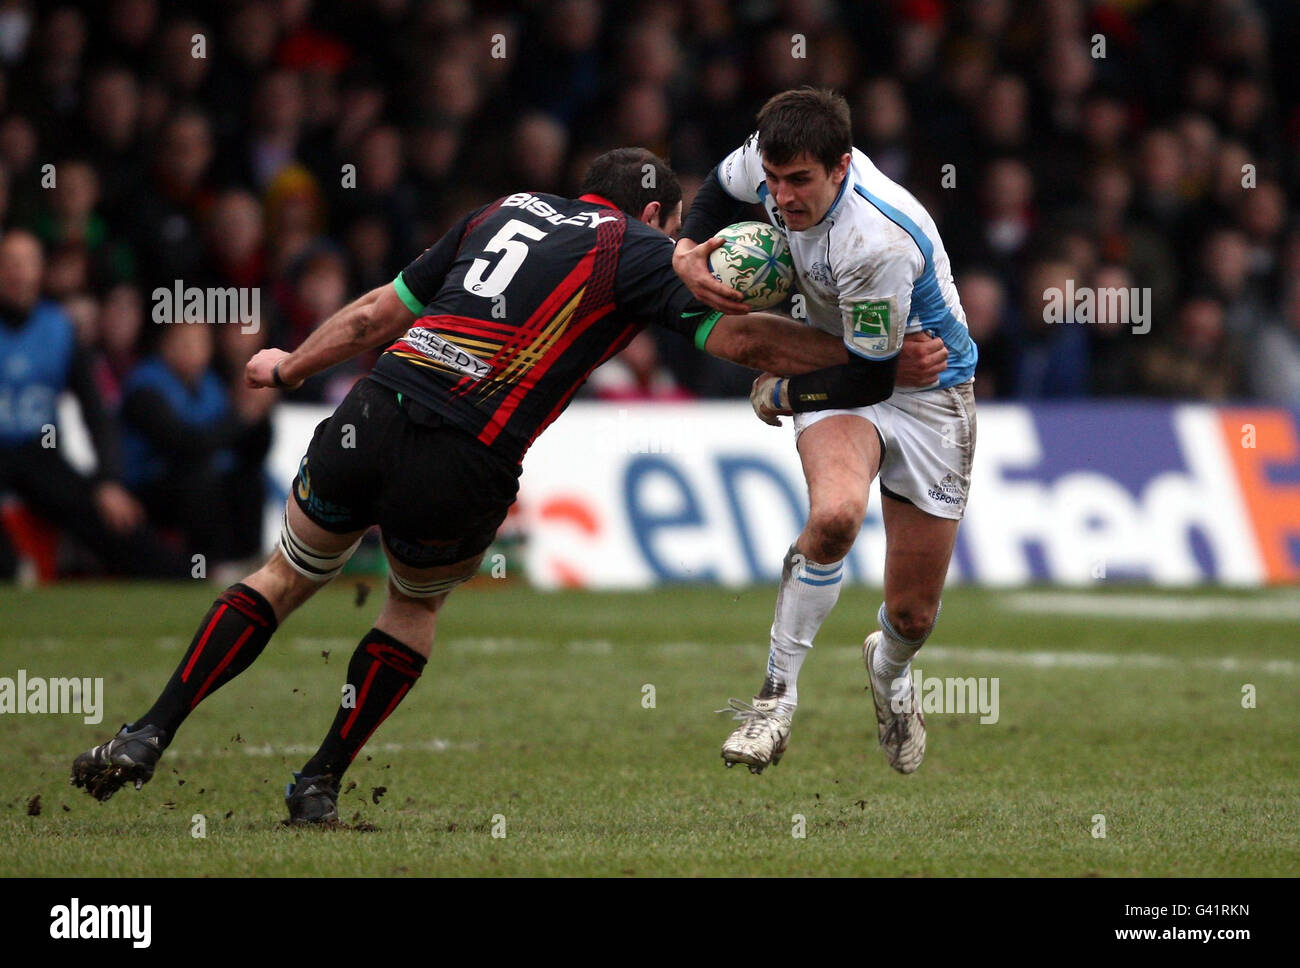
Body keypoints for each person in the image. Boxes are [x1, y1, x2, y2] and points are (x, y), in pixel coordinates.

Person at [70, 147, 949, 822]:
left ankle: (149, 729)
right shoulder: (644, 251)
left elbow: (381, 310)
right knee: (409, 611)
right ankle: (318, 783)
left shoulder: (498, 212)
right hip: (468, 455)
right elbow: (747, 345)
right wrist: (868, 355)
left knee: (285, 574)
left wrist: (291, 363)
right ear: (653, 211)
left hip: (374, 408)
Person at [673, 88, 978, 775]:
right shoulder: (769, 159)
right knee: (836, 516)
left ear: (841, 166)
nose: (781, 197)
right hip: (841, 357)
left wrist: (781, 391)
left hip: (928, 391)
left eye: (800, 181)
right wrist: (689, 250)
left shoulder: (876, 240)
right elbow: (717, 198)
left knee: (913, 616)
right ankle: (774, 703)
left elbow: (875, 380)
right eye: (774, 181)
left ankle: (892, 669)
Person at [0, 231, 187, 581]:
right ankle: (11, 569)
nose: (18, 273)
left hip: (38, 451)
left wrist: (109, 481)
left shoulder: (58, 328)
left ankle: (184, 577)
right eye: (9, 263)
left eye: (27, 264)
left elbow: (95, 412)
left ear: (41, 271)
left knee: (108, 516)